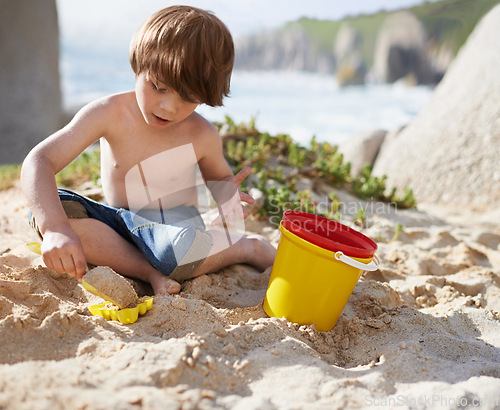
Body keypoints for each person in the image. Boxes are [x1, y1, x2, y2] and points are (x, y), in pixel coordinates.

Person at [21, 5, 276, 295]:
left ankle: (248, 249)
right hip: (121, 224)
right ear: (137, 65)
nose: (168, 107)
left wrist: (227, 196)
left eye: (188, 98)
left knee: (175, 255)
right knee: (45, 213)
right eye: (157, 86)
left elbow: (219, 181)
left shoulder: (202, 134)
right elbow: (40, 160)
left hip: (175, 233)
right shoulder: (107, 113)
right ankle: (147, 270)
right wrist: (55, 227)